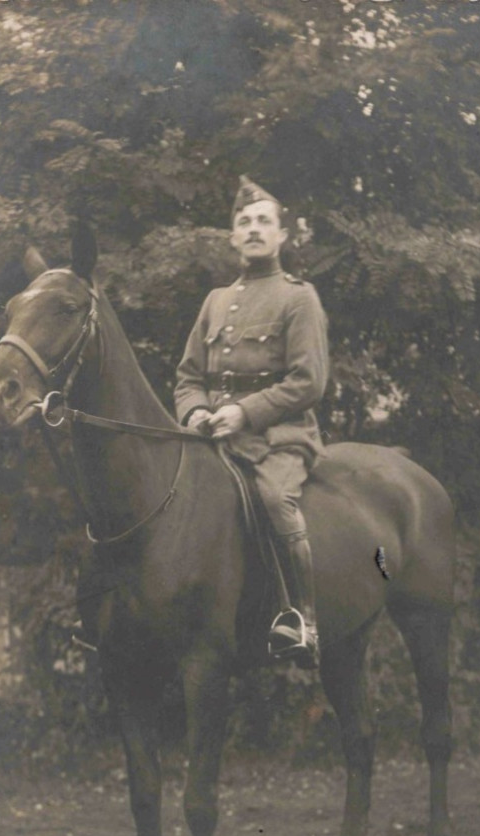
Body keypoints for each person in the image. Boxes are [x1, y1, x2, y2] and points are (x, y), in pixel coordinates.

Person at [174, 176, 329, 668]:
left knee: (273, 499)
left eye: (265, 221)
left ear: (283, 235)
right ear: (233, 238)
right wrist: (196, 412)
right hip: (214, 440)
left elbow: (309, 382)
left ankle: (301, 619)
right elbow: (187, 377)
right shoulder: (216, 301)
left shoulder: (298, 298)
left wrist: (244, 412)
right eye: (244, 223)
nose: (254, 229)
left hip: (278, 438)